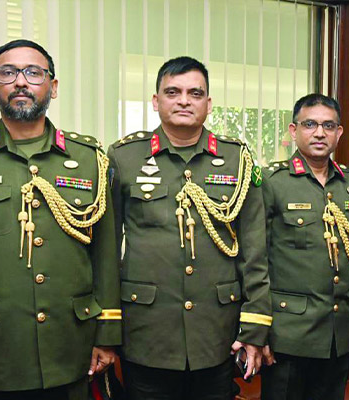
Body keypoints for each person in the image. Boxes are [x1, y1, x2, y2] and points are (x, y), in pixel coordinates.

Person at [0, 39, 120, 399]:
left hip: (69, 351)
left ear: (52, 87)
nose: (21, 81)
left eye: (33, 73)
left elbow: (104, 256)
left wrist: (106, 335)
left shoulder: (89, 159)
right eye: (8, 73)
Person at [108, 56, 272, 400]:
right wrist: (106, 330)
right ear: (156, 101)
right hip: (147, 332)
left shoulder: (237, 160)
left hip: (217, 333)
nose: (184, 100)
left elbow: (254, 250)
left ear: (208, 104)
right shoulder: (124, 158)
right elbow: (107, 250)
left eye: (195, 93)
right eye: (173, 92)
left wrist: (256, 325)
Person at [260, 94, 349, 400]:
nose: (319, 133)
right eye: (310, 124)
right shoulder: (272, 182)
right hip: (287, 333)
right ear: (293, 130)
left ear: (339, 132)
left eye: (328, 125)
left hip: (338, 333)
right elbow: (255, 260)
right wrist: (258, 331)